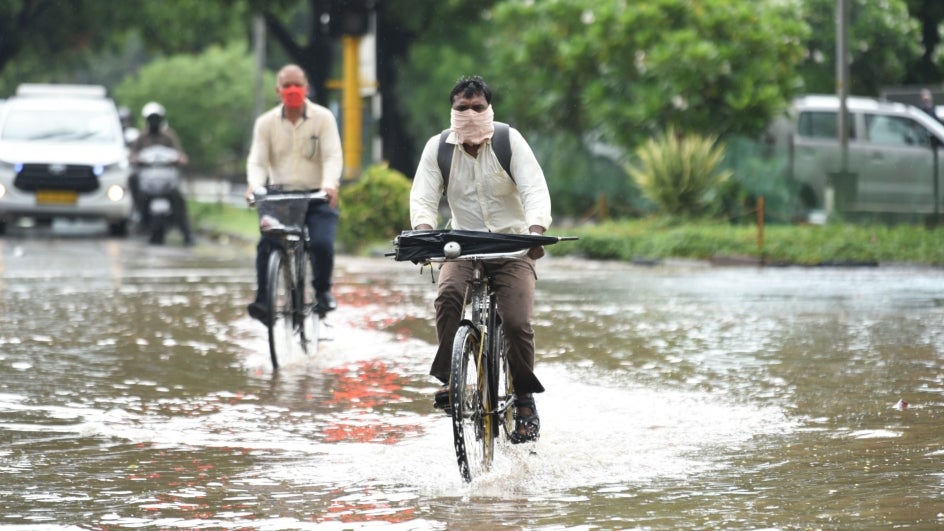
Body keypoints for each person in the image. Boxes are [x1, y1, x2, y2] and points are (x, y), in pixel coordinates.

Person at [409, 75, 552, 444]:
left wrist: (535, 232)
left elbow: (534, 189)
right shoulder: (437, 148)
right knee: (447, 296)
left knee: (516, 323)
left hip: (512, 247)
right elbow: (423, 198)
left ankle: (523, 398)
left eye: (477, 107)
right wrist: (424, 234)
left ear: (489, 109)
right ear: (452, 111)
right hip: (461, 246)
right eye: (462, 107)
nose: (470, 114)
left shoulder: (509, 141)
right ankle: (451, 379)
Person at [245, 64, 343, 324]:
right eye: (286, 86)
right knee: (267, 243)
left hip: (317, 196)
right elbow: (257, 161)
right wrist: (255, 185)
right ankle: (264, 301)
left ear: (306, 88)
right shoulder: (265, 123)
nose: (292, 90)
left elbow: (332, 156)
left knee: (322, 244)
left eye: (297, 85)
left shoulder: (323, 118)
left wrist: (330, 185)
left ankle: (322, 291)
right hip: (281, 200)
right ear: (278, 91)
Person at [129, 101, 194, 245]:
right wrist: (135, 159)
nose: (154, 122)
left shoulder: (169, 136)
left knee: (178, 198)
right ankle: (138, 213)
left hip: (165, 177)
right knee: (132, 179)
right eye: (151, 119)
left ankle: (186, 232)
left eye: (156, 118)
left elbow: (179, 153)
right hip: (148, 177)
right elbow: (132, 154)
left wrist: (180, 159)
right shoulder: (141, 137)